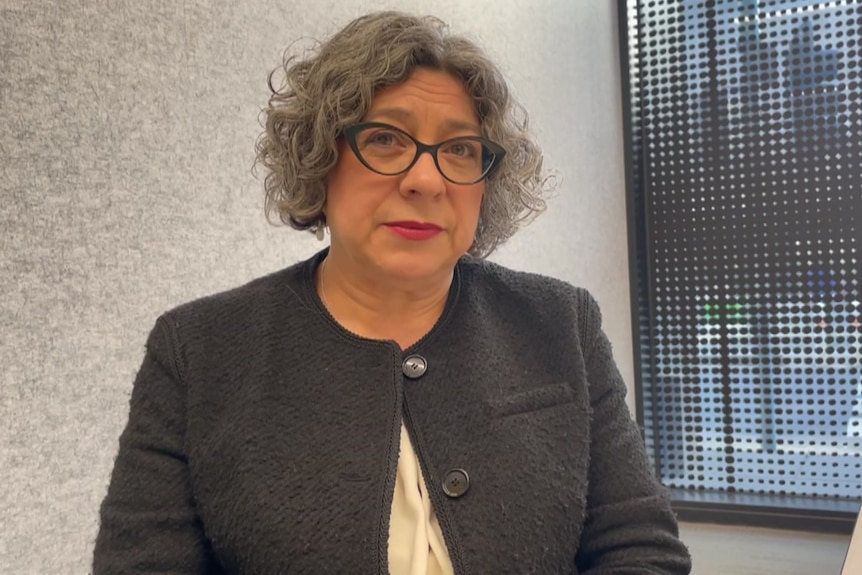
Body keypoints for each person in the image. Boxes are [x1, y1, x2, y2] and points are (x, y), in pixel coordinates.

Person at [93, 10, 691, 574]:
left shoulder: (562, 322)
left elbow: (639, 547)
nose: (426, 179)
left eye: (459, 149)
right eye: (384, 139)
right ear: (320, 158)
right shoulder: (198, 351)